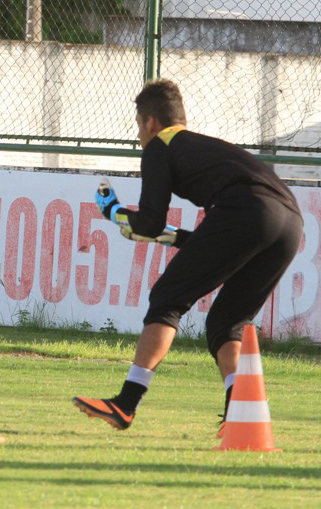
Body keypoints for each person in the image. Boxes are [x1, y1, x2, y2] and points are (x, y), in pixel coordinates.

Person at [73, 79, 302, 431]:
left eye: (138, 126)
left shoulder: (159, 146)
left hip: (247, 211)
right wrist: (158, 232)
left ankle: (126, 404)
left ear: (150, 122)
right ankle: (239, 414)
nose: (139, 136)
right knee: (226, 323)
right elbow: (212, 242)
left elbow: (150, 221)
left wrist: (115, 213)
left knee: (167, 298)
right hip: (290, 221)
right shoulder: (206, 150)